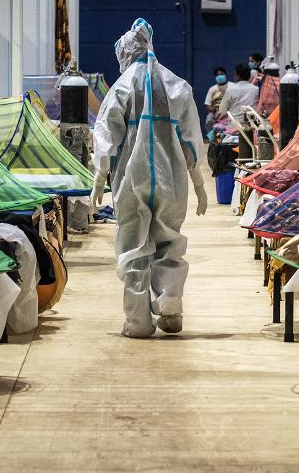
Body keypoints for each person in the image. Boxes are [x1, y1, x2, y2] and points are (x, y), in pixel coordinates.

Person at [91, 18, 208, 338]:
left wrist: (100, 175)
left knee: (133, 244)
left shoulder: (123, 86)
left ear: (126, 53)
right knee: (170, 239)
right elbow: (191, 137)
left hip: (132, 177)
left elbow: (106, 135)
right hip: (171, 178)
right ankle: (171, 305)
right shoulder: (176, 84)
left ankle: (138, 321)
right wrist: (198, 181)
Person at [203, 66, 228, 134]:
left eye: (221, 74)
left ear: (225, 75)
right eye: (218, 75)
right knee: (208, 120)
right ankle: (213, 140)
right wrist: (214, 110)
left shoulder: (231, 87)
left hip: (229, 112)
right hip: (215, 112)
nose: (220, 76)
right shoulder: (212, 89)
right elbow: (208, 105)